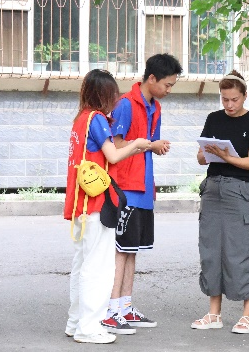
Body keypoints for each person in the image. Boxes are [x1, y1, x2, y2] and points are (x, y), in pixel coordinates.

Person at [65, 69, 154, 345]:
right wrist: (138, 144)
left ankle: (75, 322)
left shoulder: (80, 119)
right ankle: (89, 327)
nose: (117, 99)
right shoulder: (98, 119)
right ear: (104, 94)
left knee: (82, 265)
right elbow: (113, 155)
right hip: (97, 204)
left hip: (80, 203)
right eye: (113, 93)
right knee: (99, 267)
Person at [103, 53, 183, 335]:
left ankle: (125, 307)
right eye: (167, 84)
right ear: (151, 78)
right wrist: (150, 145)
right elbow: (116, 144)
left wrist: (156, 146)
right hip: (125, 187)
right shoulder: (125, 104)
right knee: (119, 250)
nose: (169, 90)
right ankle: (110, 310)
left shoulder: (155, 107)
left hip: (144, 187)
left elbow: (149, 143)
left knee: (132, 250)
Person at [190, 70, 249, 334]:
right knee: (211, 251)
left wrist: (226, 156)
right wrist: (208, 152)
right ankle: (214, 314)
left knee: (242, 251)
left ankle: (248, 316)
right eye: (225, 99)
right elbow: (200, 158)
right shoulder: (213, 118)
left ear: (244, 96)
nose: (230, 105)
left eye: (234, 99)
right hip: (213, 189)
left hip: (240, 190)